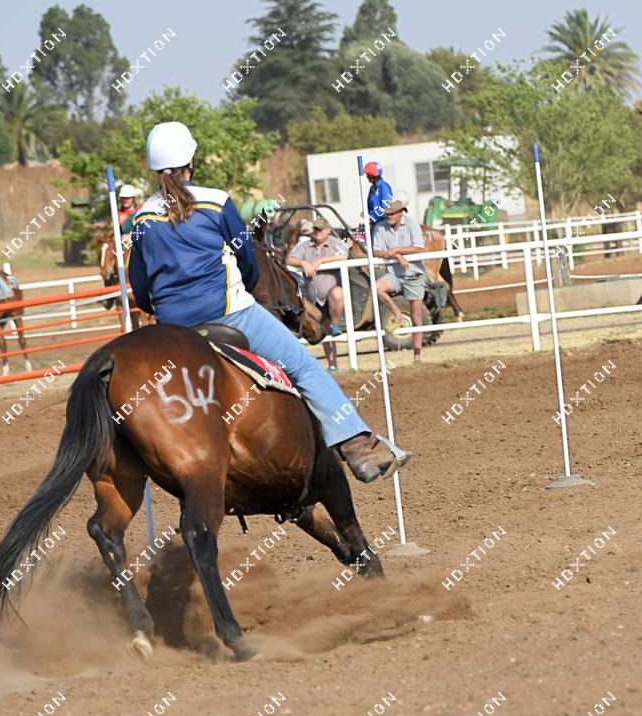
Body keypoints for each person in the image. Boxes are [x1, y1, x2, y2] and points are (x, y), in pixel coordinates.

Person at [128, 121, 411, 484]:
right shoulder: (216, 201)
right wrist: (246, 289)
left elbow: (140, 285)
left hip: (172, 331)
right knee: (304, 368)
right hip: (231, 316)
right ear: (191, 161)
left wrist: (160, 310)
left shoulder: (141, 217)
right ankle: (359, 447)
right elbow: (246, 257)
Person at [287, 216, 349, 372]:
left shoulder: (336, 242)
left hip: (331, 294)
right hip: (313, 296)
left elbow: (344, 255)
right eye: (315, 229)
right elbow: (290, 259)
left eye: (320, 229)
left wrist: (320, 261)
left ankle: (336, 323)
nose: (317, 232)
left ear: (328, 230)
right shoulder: (305, 245)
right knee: (323, 329)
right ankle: (332, 365)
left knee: (337, 294)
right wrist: (303, 263)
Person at [372, 200, 427, 365]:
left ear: (401, 213)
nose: (388, 216)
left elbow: (419, 247)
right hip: (394, 273)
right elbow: (376, 251)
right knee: (377, 287)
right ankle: (397, 313)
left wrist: (396, 250)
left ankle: (417, 357)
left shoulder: (411, 224)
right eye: (387, 214)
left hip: (413, 273)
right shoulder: (380, 227)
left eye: (392, 213)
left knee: (416, 319)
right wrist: (397, 256)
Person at [364, 161, 393, 228]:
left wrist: (372, 218)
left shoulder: (384, 187)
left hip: (383, 223)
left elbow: (385, 208)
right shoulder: (372, 188)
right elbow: (368, 207)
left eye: (367, 175)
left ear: (371, 175)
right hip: (373, 222)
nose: (366, 176)